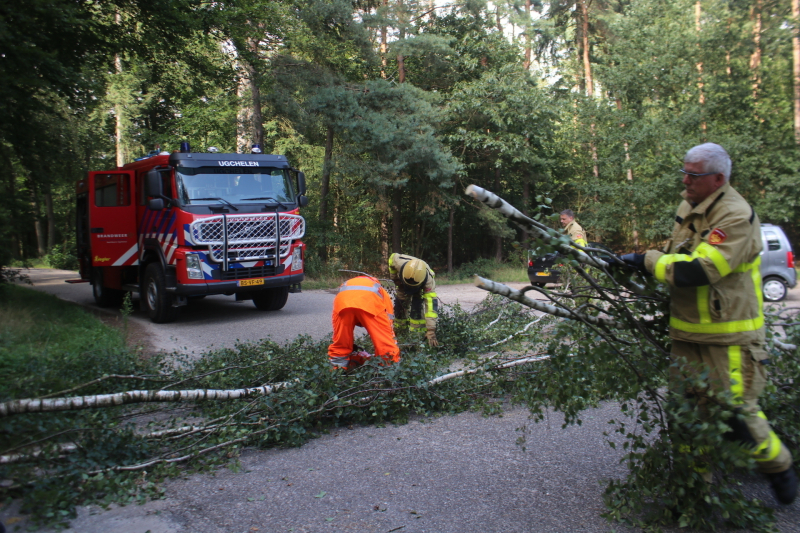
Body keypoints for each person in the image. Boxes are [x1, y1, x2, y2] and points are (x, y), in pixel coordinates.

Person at [620, 142, 797, 505]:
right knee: (685, 419)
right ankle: (694, 492)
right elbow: (679, 253)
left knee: (735, 416)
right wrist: (627, 265)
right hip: (687, 334)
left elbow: (697, 271)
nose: (685, 181)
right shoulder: (690, 206)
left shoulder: (735, 215)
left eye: (693, 175)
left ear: (718, 179)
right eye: (684, 172)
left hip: (729, 337)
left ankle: (779, 467)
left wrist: (645, 259)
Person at [328, 275, 400, 371]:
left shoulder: (346, 285)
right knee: (385, 344)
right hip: (370, 302)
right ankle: (389, 371)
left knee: (341, 342)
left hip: (342, 304)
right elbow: (388, 318)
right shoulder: (379, 289)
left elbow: (337, 315)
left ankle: (336, 370)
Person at [388, 253, 439, 347]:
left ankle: (417, 339)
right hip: (402, 284)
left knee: (417, 310)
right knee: (400, 306)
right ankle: (399, 333)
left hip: (418, 290)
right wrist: (394, 278)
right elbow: (391, 258)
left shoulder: (428, 281)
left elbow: (431, 307)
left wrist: (431, 330)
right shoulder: (398, 262)